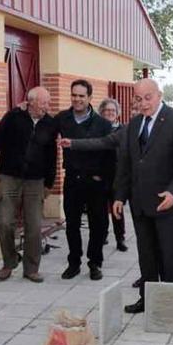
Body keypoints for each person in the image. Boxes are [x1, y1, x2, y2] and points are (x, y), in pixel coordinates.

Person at [114, 79, 173, 314]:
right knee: (146, 255)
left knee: (169, 255)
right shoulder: (134, 123)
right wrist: (119, 195)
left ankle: (170, 304)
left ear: (159, 95)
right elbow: (126, 163)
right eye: (138, 99)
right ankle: (147, 299)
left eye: (148, 97)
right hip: (139, 203)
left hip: (166, 201)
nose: (143, 103)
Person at [0, 87, 58, 283]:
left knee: (33, 225)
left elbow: (52, 156)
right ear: (30, 102)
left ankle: (31, 268)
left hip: (36, 180)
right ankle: (10, 261)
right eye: (43, 103)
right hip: (9, 176)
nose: (46, 107)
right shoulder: (13, 117)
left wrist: (49, 182)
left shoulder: (50, 124)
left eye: (48, 103)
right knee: (3, 221)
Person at [55, 80, 113, 281]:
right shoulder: (62, 119)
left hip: (96, 182)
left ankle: (95, 263)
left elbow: (109, 153)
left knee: (99, 224)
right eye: (74, 95)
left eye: (81, 96)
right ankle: (74, 263)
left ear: (89, 98)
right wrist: (25, 109)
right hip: (72, 179)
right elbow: (44, 129)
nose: (77, 99)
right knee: (72, 224)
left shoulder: (103, 124)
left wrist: (103, 177)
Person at [97, 98, 128, 252]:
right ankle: (102, 236)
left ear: (118, 114)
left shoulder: (124, 131)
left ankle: (120, 238)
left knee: (118, 210)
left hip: (118, 177)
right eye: (107, 110)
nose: (110, 113)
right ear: (101, 112)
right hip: (100, 177)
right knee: (100, 210)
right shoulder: (96, 129)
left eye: (113, 111)